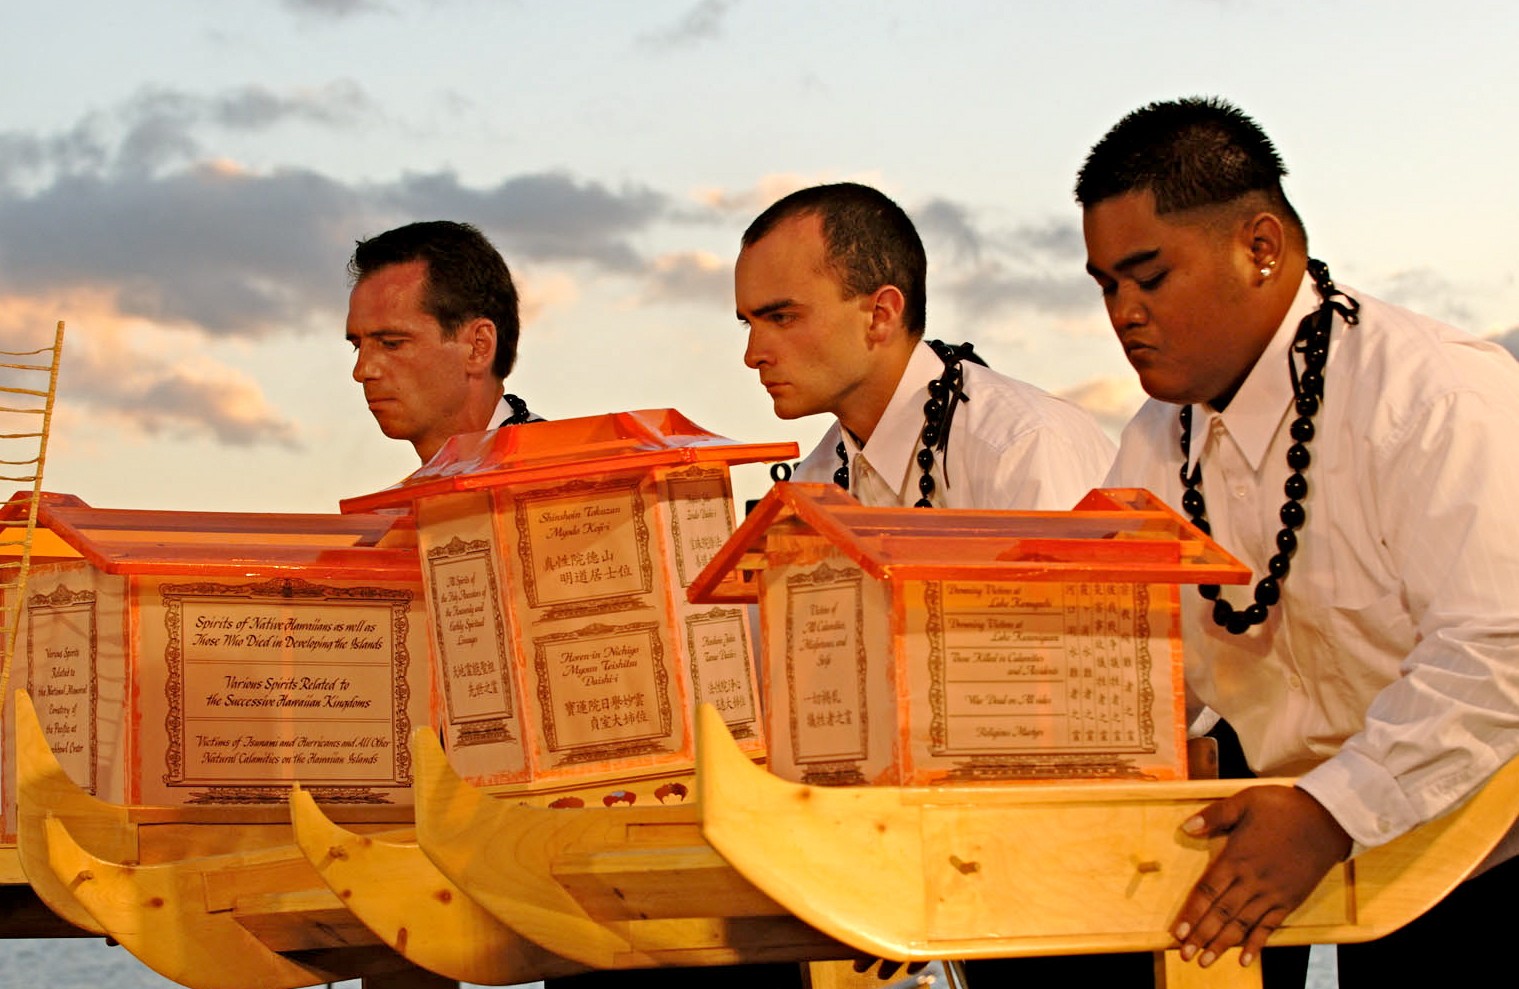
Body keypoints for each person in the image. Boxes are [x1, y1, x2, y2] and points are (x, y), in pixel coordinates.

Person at [1079, 97, 1519, 986]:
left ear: (1262, 247)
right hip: (1334, 865)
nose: (1123, 312)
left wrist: (1329, 811)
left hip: (1489, 856)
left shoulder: (1436, 393)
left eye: (1148, 276)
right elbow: (1140, 676)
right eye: (1104, 286)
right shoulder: (1148, 444)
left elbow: (1496, 645)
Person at [736, 182, 1114, 511]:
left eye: (782, 318)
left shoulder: (1021, 446)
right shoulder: (811, 487)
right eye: (748, 323)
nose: (753, 356)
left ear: (881, 315)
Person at [346, 220, 539, 463]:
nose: (361, 370)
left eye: (391, 343)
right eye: (357, 346)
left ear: (478, 346)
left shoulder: (571, 487)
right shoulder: (403, 498)